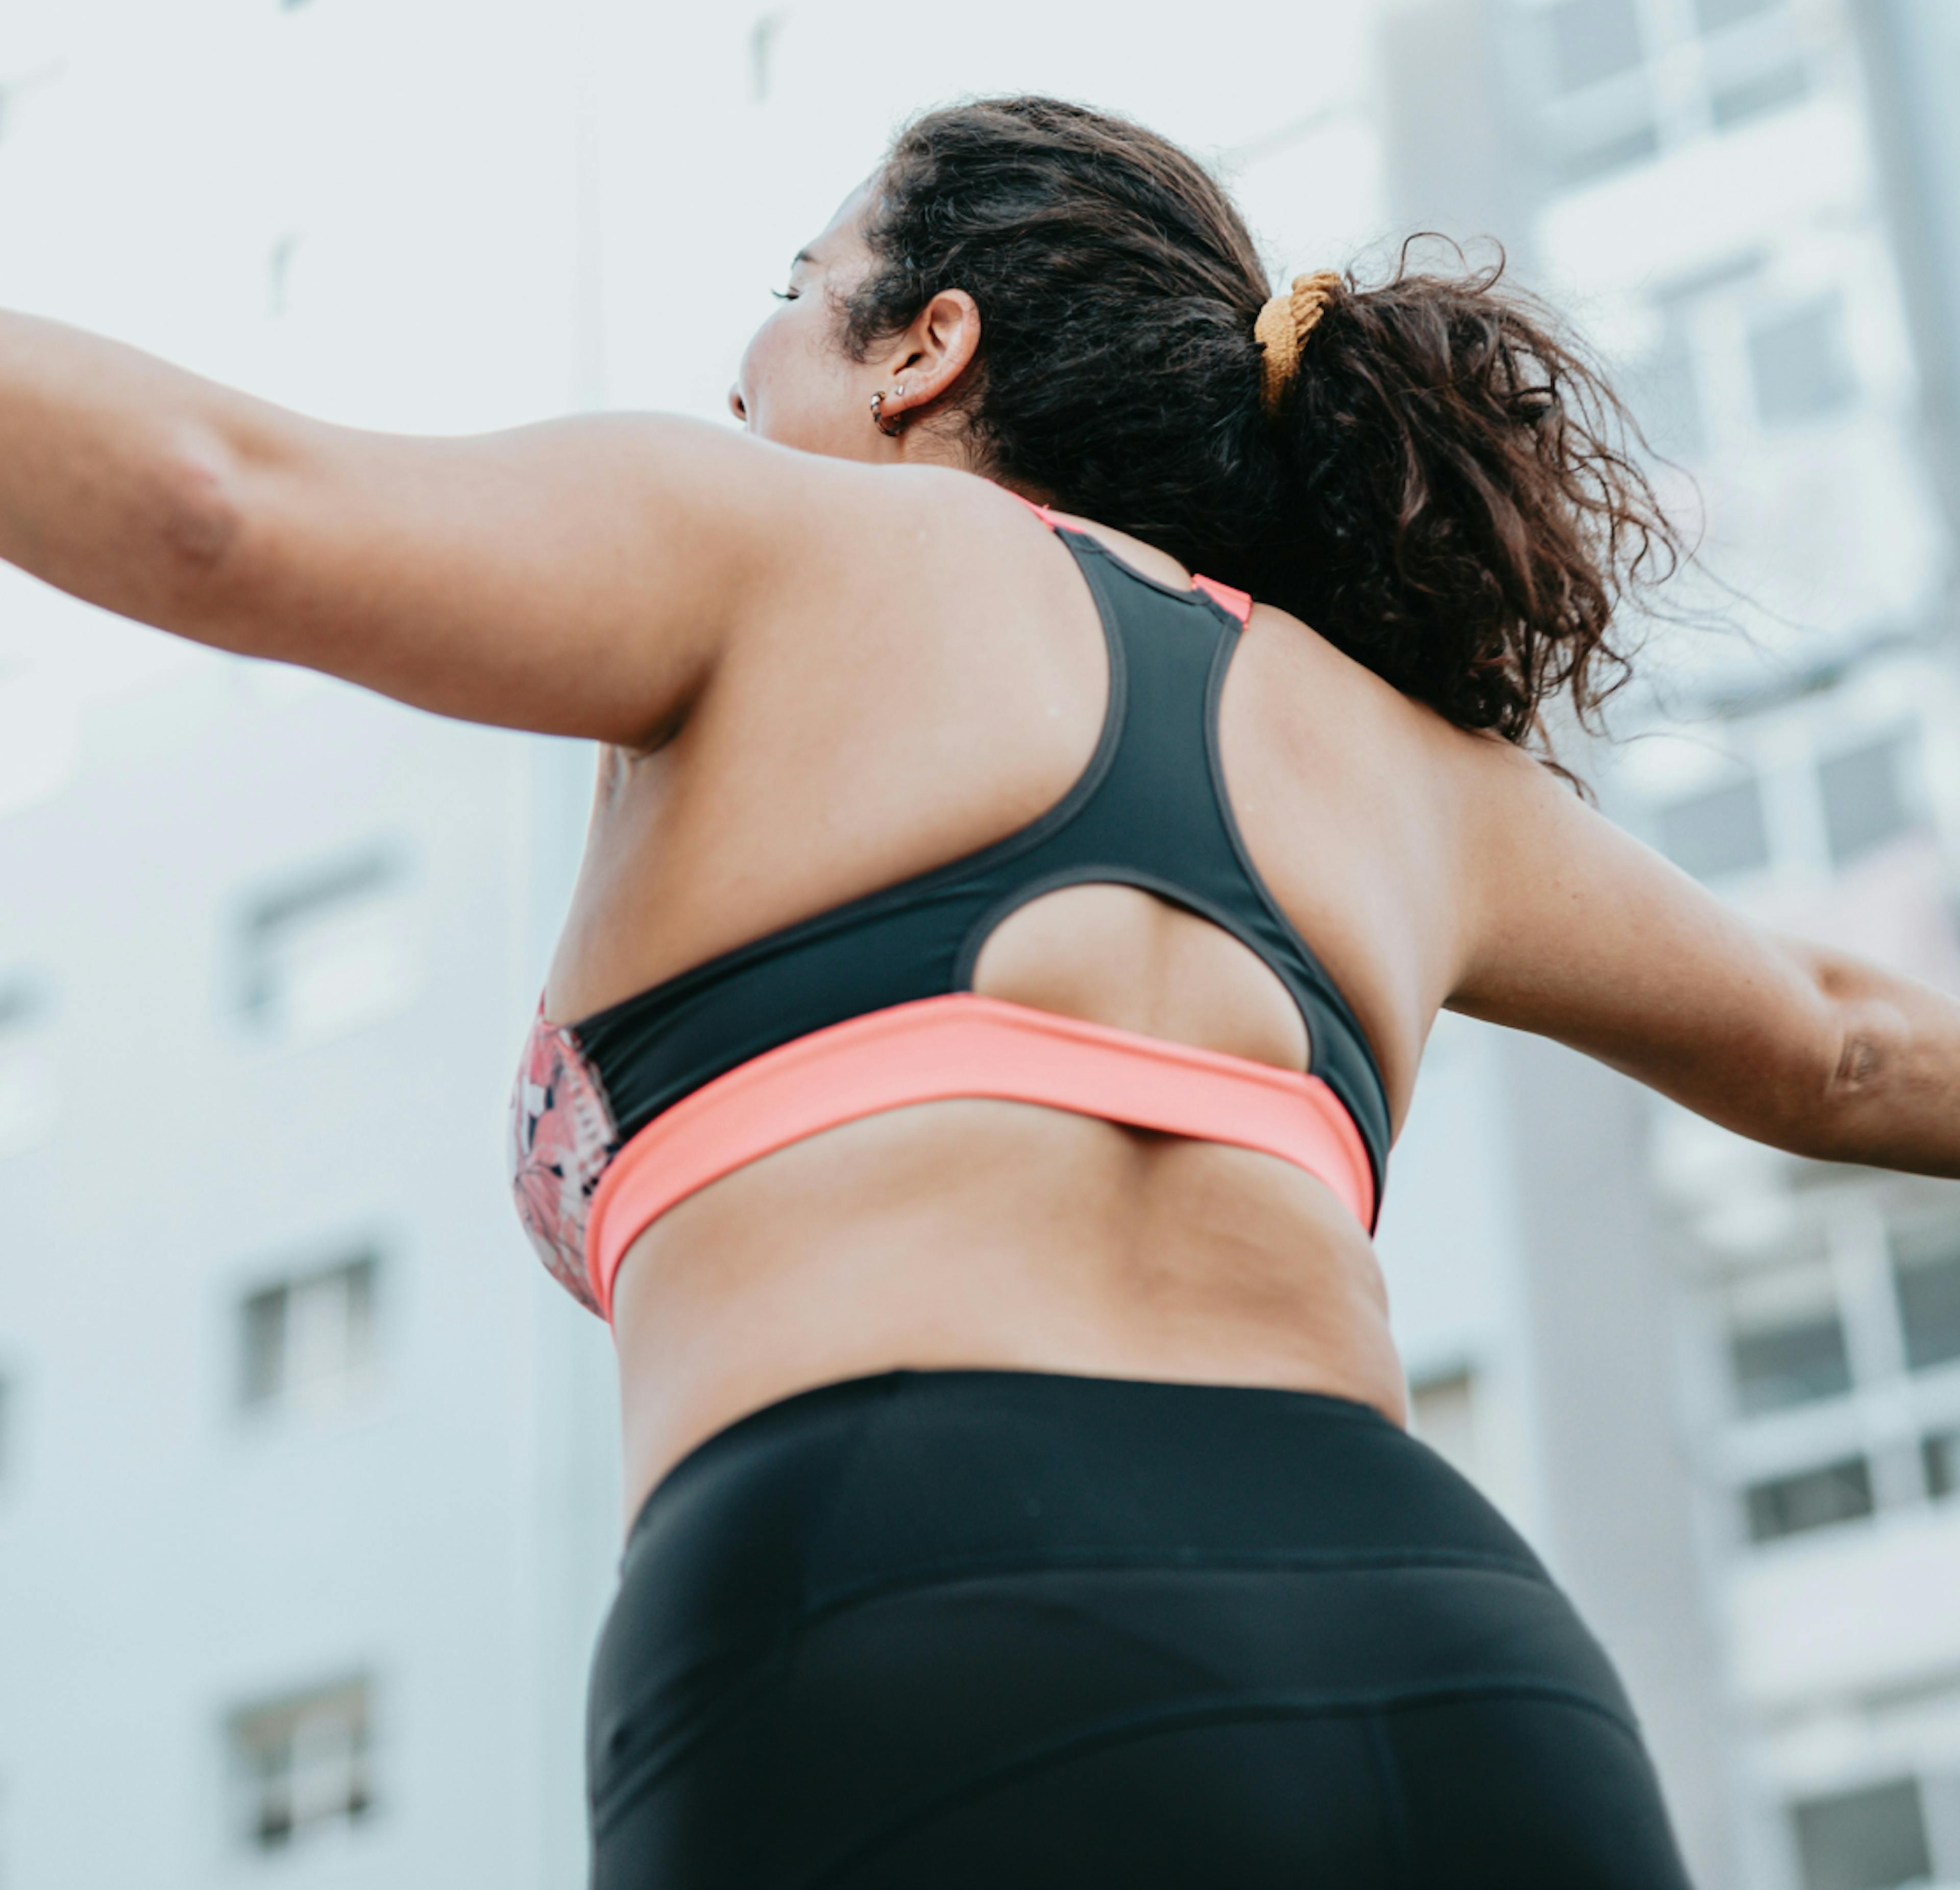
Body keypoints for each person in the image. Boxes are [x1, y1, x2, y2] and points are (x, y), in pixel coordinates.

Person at [9, 93, 1960, 1887]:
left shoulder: (764, 546)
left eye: (797, 296)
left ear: (926, 347)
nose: (751, 355)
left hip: (910, 1619)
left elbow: (212, 503)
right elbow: (1853, 1045)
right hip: (1461, 1672)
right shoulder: (1406, 769)